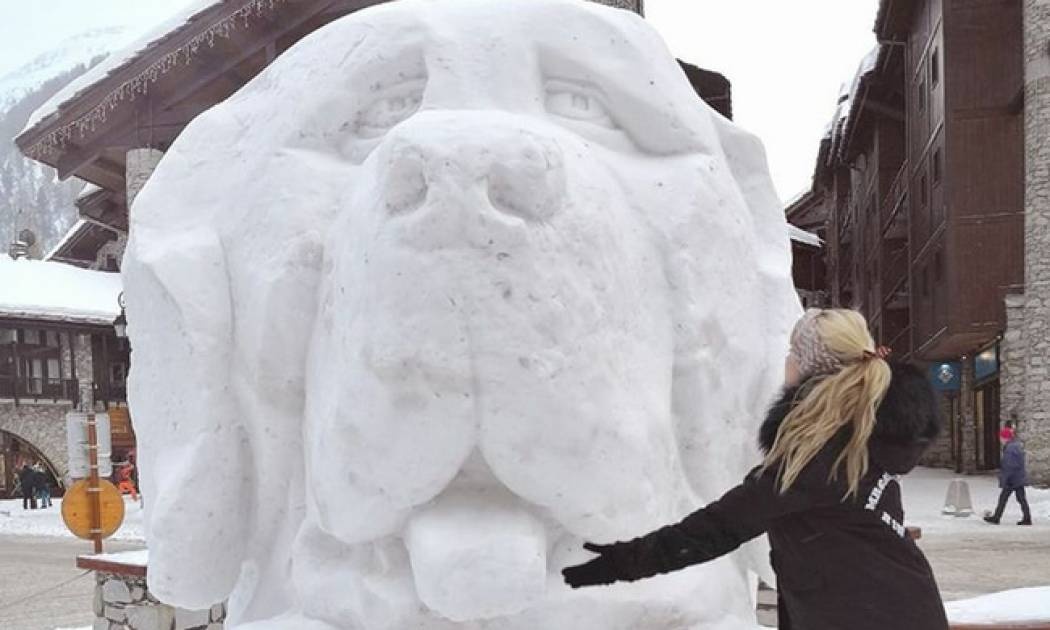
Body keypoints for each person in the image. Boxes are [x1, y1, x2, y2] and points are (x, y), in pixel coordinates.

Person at [562, 309, 948, 630]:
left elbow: (719, 527)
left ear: (812, 368)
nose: (787, 361)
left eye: (794, 352)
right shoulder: (860, 441)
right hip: (898, 609)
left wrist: (621, 562)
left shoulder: (821, 458)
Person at [984, 429, 1032, 526]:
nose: (1000, 440)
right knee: (1021, 499)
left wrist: (1005, 478)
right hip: (1018, 477)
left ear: (1005, 438)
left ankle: (996, 517)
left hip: (1012, 479)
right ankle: (1027, 518)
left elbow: (1009, 465)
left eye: (1001, 437)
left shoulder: (1010, 449)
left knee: (1003, 498)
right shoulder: (1016, 446)